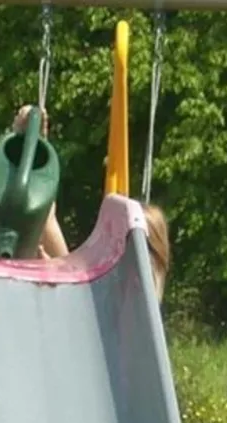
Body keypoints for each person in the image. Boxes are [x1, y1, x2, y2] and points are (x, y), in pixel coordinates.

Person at [13, 105, 170, 300]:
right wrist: (32, 146)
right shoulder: (92, 296)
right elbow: (45, 217)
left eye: (127, 245)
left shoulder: (139, 317)